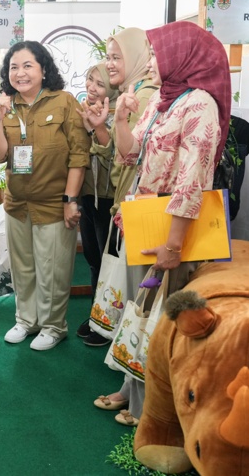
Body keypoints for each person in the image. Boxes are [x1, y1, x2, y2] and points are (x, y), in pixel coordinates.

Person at [95, 20, 231, 427]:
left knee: (160, 317)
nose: (152, 62)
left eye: (158, 54)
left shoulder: (200, 105)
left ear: (181, 57)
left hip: (171, 230)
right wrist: (120, 119)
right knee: (139, 310)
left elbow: (193, 182)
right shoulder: (163, 99)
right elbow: (130, 154)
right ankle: (130, 388)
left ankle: (152, 407)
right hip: (146, 219)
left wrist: (173, 245)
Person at [0, 40, 89, 351]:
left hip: (54, 203)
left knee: (53, 268)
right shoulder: (7, 107)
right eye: (14, 67)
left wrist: (70, 200)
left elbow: (79, 155)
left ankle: (54, 326)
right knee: (23, 268)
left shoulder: (64, 102)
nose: (20, 73)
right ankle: (26, 320)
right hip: (17, 204)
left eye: (27, 66)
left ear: (44, 69)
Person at [77, 27, 157, 346]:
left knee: (131, 277)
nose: (110, 64)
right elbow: (123, 152)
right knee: (110, 266)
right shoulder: (132, 93)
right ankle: (111, 329)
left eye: (116, 57)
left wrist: (115, 123)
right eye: (107, 57)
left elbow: (131, 155)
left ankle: (126, 340)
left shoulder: (145, 96)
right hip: (123, 200)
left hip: (137, 202)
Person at [77, 63, 120, 295]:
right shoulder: (85, 109)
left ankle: (109, 312)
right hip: (87, 194)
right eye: (90, 79)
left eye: (100, 84)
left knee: (109, 261)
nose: (91, 87)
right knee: (92, 258)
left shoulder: (122, 113)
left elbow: (114, 157)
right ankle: (96, 310)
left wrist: (96, 128)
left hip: (109, 198)